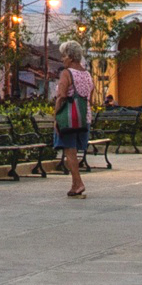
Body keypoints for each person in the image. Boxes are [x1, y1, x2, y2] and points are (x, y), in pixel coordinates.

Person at [52, 41, 95, 199]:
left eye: (63, 55)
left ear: (70, 57)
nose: (62, 59)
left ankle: (78, 183)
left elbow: (62, 96)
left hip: (69, 118)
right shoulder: (87, 74)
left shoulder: (67, 73)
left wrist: (56, 117)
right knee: (74, 151)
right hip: (84, 117)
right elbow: (91, 95)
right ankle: (74, 184)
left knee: (69, 151)